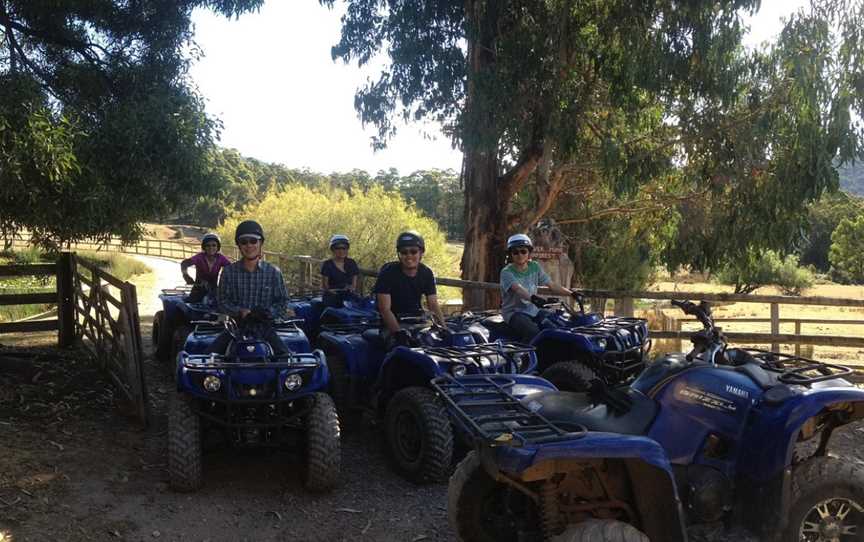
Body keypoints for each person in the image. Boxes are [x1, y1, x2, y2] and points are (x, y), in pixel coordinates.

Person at [210, 220, 293, 355]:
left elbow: (283, 301)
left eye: (253, 241)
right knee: (207, 359)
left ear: (260, 243)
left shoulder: (273, 272)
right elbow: (222, 301)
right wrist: (240, 311)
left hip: (265, 327)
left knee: (289, 360)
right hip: (236, 327)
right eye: (244, 242)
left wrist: (268, 313)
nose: (249, 245)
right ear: (239, 245)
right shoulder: (228, 272)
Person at [500, 233, 581, 343]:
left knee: (557, 326)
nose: (520, 255)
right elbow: (518, 289)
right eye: (515, 252)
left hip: (534, 310)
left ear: (529, 253)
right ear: (510, 254)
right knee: (533, 332)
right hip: (514, 313)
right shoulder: (506, 272)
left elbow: (551, 285)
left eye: (523, 251)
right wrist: (533, 299)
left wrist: (571, 293)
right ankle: (523, 358)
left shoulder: (534, 267)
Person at [373, 231, 445, 347]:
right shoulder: (388, 273)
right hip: (392, 323)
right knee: (402, 350)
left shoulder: (426, 273)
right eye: (404, 252)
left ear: (421, 252)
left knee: (440, 344)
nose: (409, 256)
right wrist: (398, 333)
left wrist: (444, 328)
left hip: (418, 322)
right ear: (399, 254)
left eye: (413, 251)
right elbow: (384, 309)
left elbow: (433, 304)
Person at [180, 233, 231, 301]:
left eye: (214, 245)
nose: (211, 248)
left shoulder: (220, 258)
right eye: (208, 245)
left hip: (214, 291)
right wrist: (186, 276)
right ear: (204, 247)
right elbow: (184, 263)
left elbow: (231, 267)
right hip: (197, 291)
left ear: (218, 247)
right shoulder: (200, 257)